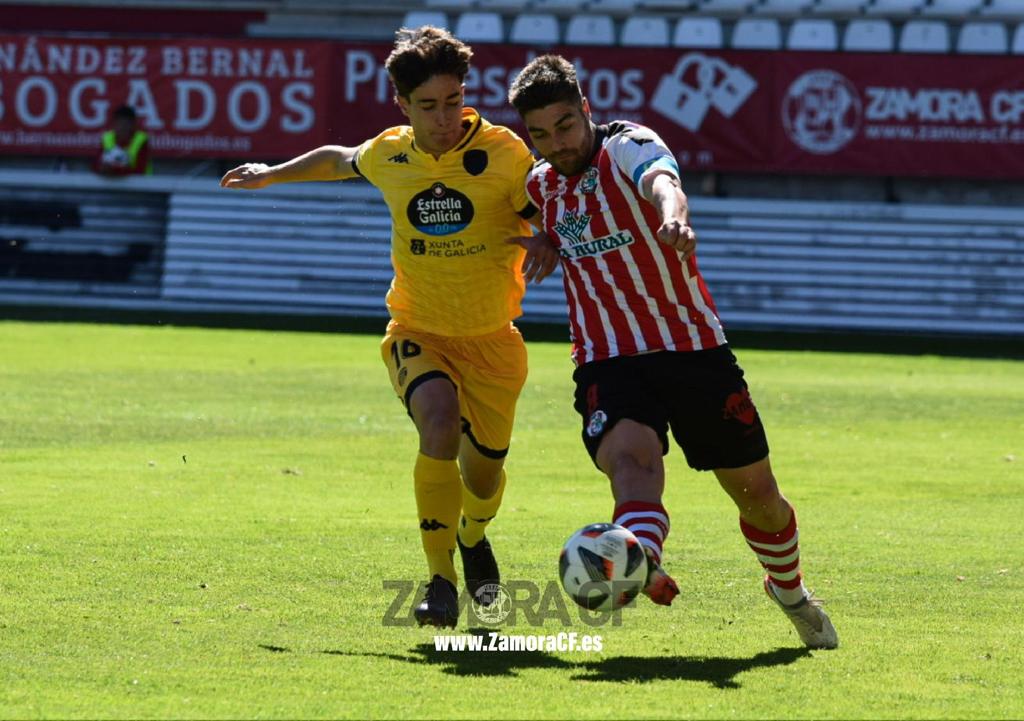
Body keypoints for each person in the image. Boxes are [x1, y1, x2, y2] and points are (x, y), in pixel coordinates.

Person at [220, 27, 557, 629]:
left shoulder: (505, 155)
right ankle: (440, 581)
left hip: (494, 342)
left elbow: (548, 209)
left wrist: (551, 239)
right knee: (437, 423)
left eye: (453, 100)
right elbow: (339, 160)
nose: (444, 116)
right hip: (417, 328)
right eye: (427, 106)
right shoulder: (391, 153)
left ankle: (474, 539)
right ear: (403, 106)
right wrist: (270, 173)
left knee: (482, 480)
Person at [507, 55, 837, 649]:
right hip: (607, 359)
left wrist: (674, 219)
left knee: (759, 499)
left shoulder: (627, 145)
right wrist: (545, 241)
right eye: (540, 134)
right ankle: (639, 563)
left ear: (586, 110)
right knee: (632, 465)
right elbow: (557, 220)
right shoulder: (540, 185)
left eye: (564, 125)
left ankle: (788, 590)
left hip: (692, 352)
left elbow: (663, 181)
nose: (555, 142)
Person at [94, 105, 152, 176]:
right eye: (120, 123)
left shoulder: (141, 140)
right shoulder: (106, 138)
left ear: (133, 125)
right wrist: (102, 168)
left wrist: (114, 170)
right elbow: (96, 165)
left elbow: (140, 170)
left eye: (126, 124)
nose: (123, 127)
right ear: (115, 124)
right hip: (110, 185)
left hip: (138, 185)